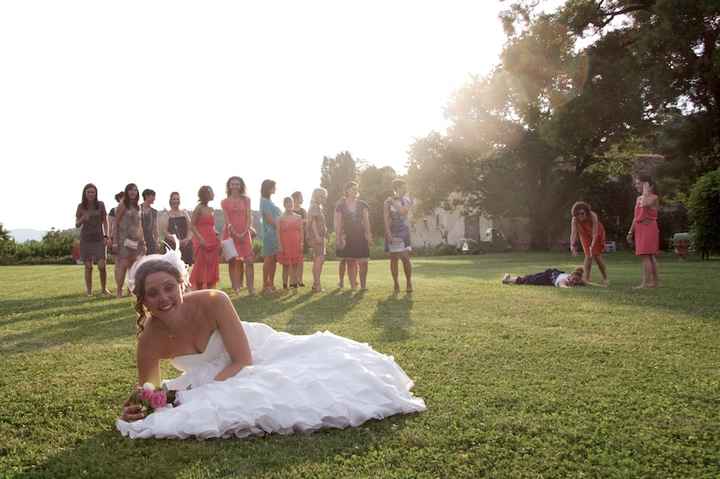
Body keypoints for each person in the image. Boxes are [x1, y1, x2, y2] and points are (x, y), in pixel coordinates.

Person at [116, 248, 426, 439]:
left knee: (300, 386)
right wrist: (139, 405)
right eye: (153, 294)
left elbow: (242, 361)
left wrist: (202, 390)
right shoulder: (149, 342)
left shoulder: (214, 300)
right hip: (209, 375)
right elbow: (151, 391)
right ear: (142, 300)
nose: (164, 299)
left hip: (252, 355)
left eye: (169, 288)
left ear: (182, 284)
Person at [221, 176, 255, 295]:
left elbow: (249, 217)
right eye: (232, 184)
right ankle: (236, 288)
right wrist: (235, 233)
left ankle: (251, 289)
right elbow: (227, 221)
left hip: (245, 233)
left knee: (249, 261)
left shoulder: (247, 200)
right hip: (230, 234)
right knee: (233, 261)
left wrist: (245, 232)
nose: (235, 186)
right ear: (229, 186)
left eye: (237, 184)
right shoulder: (224, 202)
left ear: (241, 186)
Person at [335, 181, 371, 290]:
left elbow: (366, 221)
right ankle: (353, 287)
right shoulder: (340, 206)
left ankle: (363, 286)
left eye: (356, 189)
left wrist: (369, 234)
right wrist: (338, 238)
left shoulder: (363, 204)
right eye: (353, 189)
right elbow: (338, 224)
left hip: (361, 236)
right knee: (350, 262)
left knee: (363, 262)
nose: (355, 191)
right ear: (347, 191)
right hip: (348, 236)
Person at [75, 183, 110, 296]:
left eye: (93, 192)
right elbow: (76, 224)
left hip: (99, 239)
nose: (91, 194)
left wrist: (106, 236)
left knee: (101, 266)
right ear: (85, 194)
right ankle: (89, 292)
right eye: (88, 192)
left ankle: (104, 289)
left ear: (96, 193)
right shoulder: (81, 206)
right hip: (86, 240)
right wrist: (82, 218)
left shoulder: (100, 205)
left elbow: (105, 221)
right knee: (88, 267)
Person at [113, 183, 146, 298]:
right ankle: (119, 291)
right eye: (130, 190)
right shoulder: (122, 205)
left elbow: (140, 225)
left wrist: (143, 240)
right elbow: (115, 224)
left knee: (134, 266)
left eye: (135, 190)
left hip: (136, 240)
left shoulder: (138, 206)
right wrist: (115, 242)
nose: (133, 192)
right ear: (127, 192)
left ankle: (130, 289)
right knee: (122, 265)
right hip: (124, 240)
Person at [627, 175, 660, 288]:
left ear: (647, 185)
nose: (636, 185)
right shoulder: (639, 198)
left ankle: (646, 283)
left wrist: (646, 190)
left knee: (647, 255)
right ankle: (653, 283)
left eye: (639, 183)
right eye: (636, 183)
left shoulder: (653, 197)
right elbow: (636, 217)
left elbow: (645, 204)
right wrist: (630, 232)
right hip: (640, 227)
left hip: (649, 227)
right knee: (648, 255)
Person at [383, 179, 414, 293]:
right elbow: (386, 219)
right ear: (396, 188)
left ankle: (409, 282)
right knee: (394, 259)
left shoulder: (406, 200)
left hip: (403, 231)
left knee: (405, 258)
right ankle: (396, 283)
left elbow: (403, 211)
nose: (405, 189)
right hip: (392, 231)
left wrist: (393, 202)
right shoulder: (386, 202)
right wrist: (388, 234)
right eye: (403, 187)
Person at [569, 201, 609, 285]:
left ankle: (605, 278)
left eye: (582, 213)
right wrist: (572, 246)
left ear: (586, 212)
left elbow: (595, 232)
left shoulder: (593, 215)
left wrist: (592, 245)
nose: (580, 215)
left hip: (597, 233)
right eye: (577, 214)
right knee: (588, 256)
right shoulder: (575, 220)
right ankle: (586, 278)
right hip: (584, 235)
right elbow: (573, 233)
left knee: (597, 256)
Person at [189, 186, 220, 290]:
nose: (213, 194)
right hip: (201, 240)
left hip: (212, 240)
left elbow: (210, 225)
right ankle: (198, 290)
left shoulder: (211, 209)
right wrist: (200, 239)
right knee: (200, 265)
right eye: (211, 192)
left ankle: (210, 289)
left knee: (211, 265)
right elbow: (192, 225)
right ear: (205, 194)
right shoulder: (198, 208)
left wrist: (216, 233)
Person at [260, 180, 281, 294]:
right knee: (268, 259)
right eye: (274, 187)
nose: (275, 188)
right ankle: (265, 285)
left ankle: (271, 284)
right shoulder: (264, 201)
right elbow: (268, 218)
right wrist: (280, 226)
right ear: (269, 188)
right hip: (269, 234)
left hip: (275, 234)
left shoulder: (269, 201)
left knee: (273, 260)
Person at [277, 197, 304, 290]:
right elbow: (278, 233)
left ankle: (294, 282)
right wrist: (280, 245)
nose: (289, 205)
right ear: (284, 205)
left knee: (296, 264)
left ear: (293, 204)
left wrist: (301, 243)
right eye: (287, 203)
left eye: (291, 203)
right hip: (285, 244)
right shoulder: (280, 218)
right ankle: (285, 284)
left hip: (296, 242)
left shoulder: (298, 217)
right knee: (286, 265)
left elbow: (301, 231)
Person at [307, 187, 328, 292]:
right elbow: (313, 222)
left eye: (324, 196)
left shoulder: (318, 207)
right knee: (319, 260)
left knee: (319, 260)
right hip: (317, 237)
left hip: (319, 236)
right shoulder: (315, 207)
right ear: (316, 196)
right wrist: (317, 236)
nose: (323, 198)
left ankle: (316, 284)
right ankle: (317, 285)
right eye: (321, 196)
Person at [501, 267, 602, 288]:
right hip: (548, 276)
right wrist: (570, 287)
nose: (574, 282)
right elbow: (563, 286)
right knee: (527, 280)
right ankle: (507, 279)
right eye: (574, 280)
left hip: (554, 273)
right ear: (570, 276)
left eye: (576, 281)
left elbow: (587, 283)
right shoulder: (564, 280)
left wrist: (601, 286)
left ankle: (509, 278)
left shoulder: (578, 280)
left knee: (528, 277)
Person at [165, 192, 194, 266]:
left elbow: (190, 228)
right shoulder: (166, 215)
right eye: (174, 199)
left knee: (186, 268)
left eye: (177, 199)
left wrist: (187, 239)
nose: (176, 201)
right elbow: (165, 231)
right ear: (170, 201)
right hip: (172, 245)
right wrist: (176, 241)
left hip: (185, 244)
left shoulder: (184, 213)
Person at [291, 191, 307, 287]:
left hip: (302, 237)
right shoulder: (290, 210)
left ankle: (300, 280)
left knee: (301, 260)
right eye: (301, 197)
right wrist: (300, 221)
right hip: (291, 238)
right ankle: (293, 280)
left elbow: (307, 221)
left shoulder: (303, 211)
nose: (302, 199)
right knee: (292, 260)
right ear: (296, 199)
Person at [141, 189, 160, 255]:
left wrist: (157, 241)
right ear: (146, 196)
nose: (154, 198)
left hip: (150, 240)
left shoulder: (154, 211)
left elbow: (155, 227)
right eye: (153, 196)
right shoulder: (137, 209)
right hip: (139, 239)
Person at [107, 191, 124, 256]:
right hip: (115, 238)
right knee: (117, 258)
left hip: (127, 237)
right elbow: (110, 226)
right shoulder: (113, 210)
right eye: (122, 197)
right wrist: (109, 238)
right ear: (119, 199)